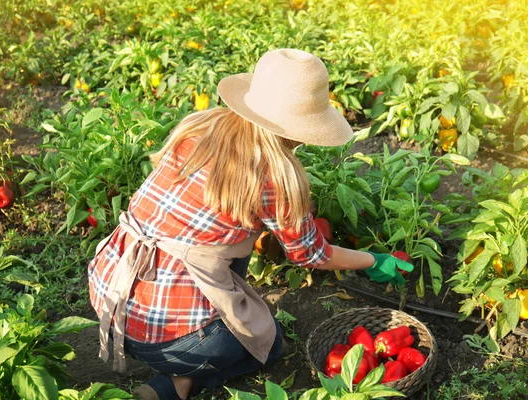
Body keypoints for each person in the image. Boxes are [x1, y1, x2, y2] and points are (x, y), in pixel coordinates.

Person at [87, 48, 413, 400]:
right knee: (266, 347)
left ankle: (178, 370)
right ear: (302, 129)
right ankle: (178, 383)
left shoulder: (200, 125)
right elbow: (312, 254)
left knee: (232, 240)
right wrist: (373, 260)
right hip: (173, 339)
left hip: (110, 296)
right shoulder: (274, 176)